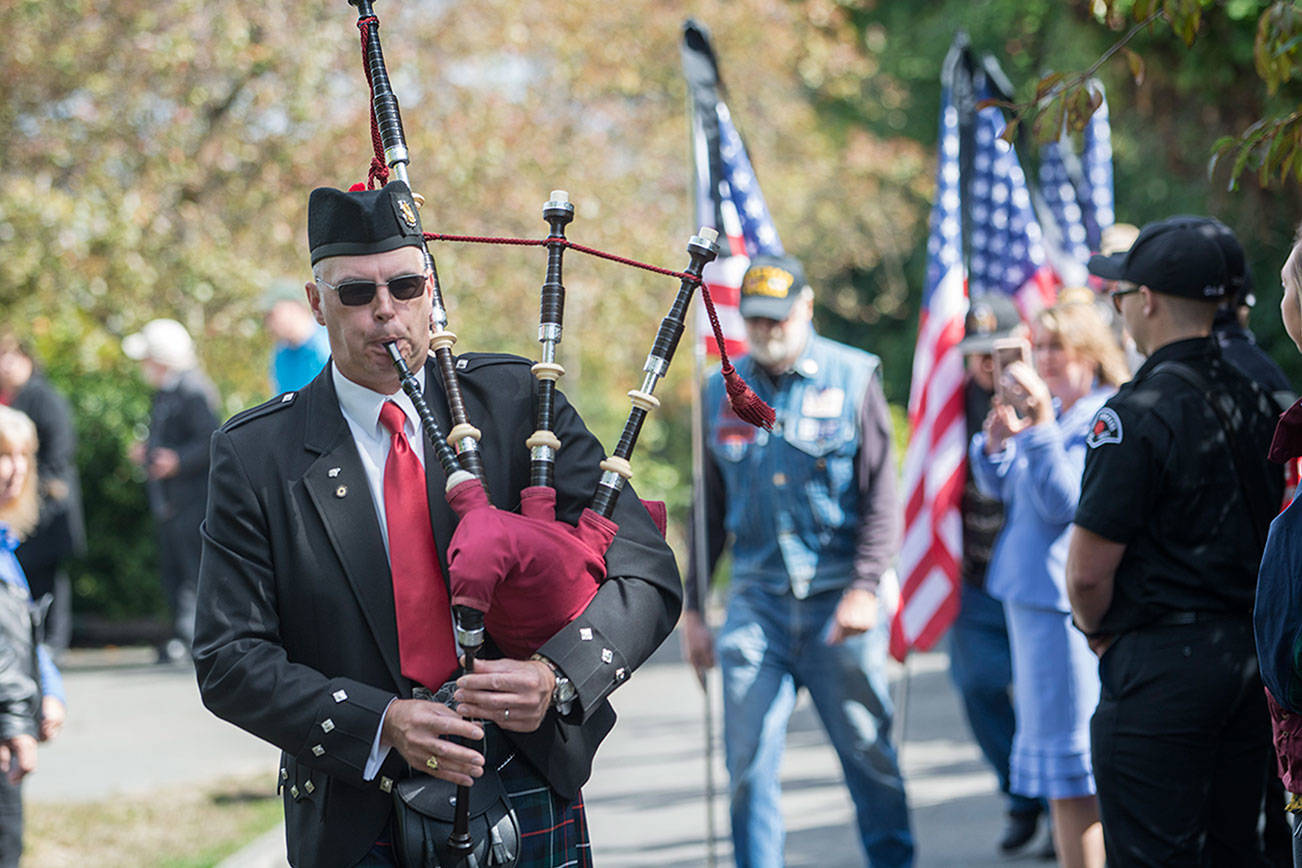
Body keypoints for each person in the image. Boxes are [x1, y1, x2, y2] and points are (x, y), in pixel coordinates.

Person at [194, 181, 680, 868]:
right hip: (355, 806)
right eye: (356, 293)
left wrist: (556, 675)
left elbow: (644, 570)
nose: (385, 312)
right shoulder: (257, 453)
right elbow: (228, 659)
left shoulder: (517, 405)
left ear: (433, 291)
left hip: (522, 774)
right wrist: (383, 723)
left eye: (405, 285)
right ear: (316, 304)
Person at [680, 254, 913, 868]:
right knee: (746, 763)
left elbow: (883, 499)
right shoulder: (719, 392)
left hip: (840, 597)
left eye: (778, 317)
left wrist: (867, 587)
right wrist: (693, 610)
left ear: (806, 307)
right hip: (757, 602)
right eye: (755, 319)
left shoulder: (854, 375)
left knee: (870, 756)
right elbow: (706, 509)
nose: (766, 330)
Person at [1067, 217, 1284, 866]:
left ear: (1149, 301)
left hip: (1163, 669)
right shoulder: (1264, 395)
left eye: (1120, 293)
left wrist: (1098, 631)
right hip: (1252, 662)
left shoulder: (1135, 413)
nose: (1119, 306)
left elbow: (1085, 575)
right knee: (1238, 851)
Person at [970, 300, 1127, 868]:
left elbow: (1066, 505)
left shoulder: (1101, 414)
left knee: (1073, 772)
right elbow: (1002, 488)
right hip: (1033, 599)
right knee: (1063, 775)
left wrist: (1035, 429)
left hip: (1065, 607)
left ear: (1092, 354)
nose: (1049, 359)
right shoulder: (1058, 411)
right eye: (1044, 346)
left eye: (1061, 347)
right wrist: (996, 441)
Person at [950, 294, 1047, 854]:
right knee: (979, 685)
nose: (987, 366)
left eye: (999, 353)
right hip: (975, 576)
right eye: (977, 356)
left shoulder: (1041, 397)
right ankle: (1021, 793)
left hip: (1033, 576)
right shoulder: (950, 404)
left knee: (1045, 694)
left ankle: (1058, 799)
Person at [122, 318, 220, 664]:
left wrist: (178, 460)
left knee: (195, 570)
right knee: (174, 571)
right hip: (169, 501)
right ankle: (182, 634)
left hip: (192, 498)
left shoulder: (194, 390)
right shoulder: (165, 391)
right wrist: (149, 450)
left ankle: (198, 637)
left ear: (162, 357)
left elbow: (213, 439)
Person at [0, 405, 67, 867]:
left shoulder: (7, 545)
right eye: (3, 455)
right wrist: (11, 726)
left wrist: (50, 690)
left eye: (24, 455)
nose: (17, 470)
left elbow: (21, 634)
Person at [0, 331, 84, 655]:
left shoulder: (42, 397)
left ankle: (50, 645)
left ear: (26, 360)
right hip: (27, 502)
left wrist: (33, 493)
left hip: (45, 504)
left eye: (10, 357)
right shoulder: (17, 397)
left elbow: (58, 457)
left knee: (47, 580)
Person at [264, 278, 332, 394]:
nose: (268, 324)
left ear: (293, 308)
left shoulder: (329, 346)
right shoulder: (281, 353)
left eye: (272, 315)